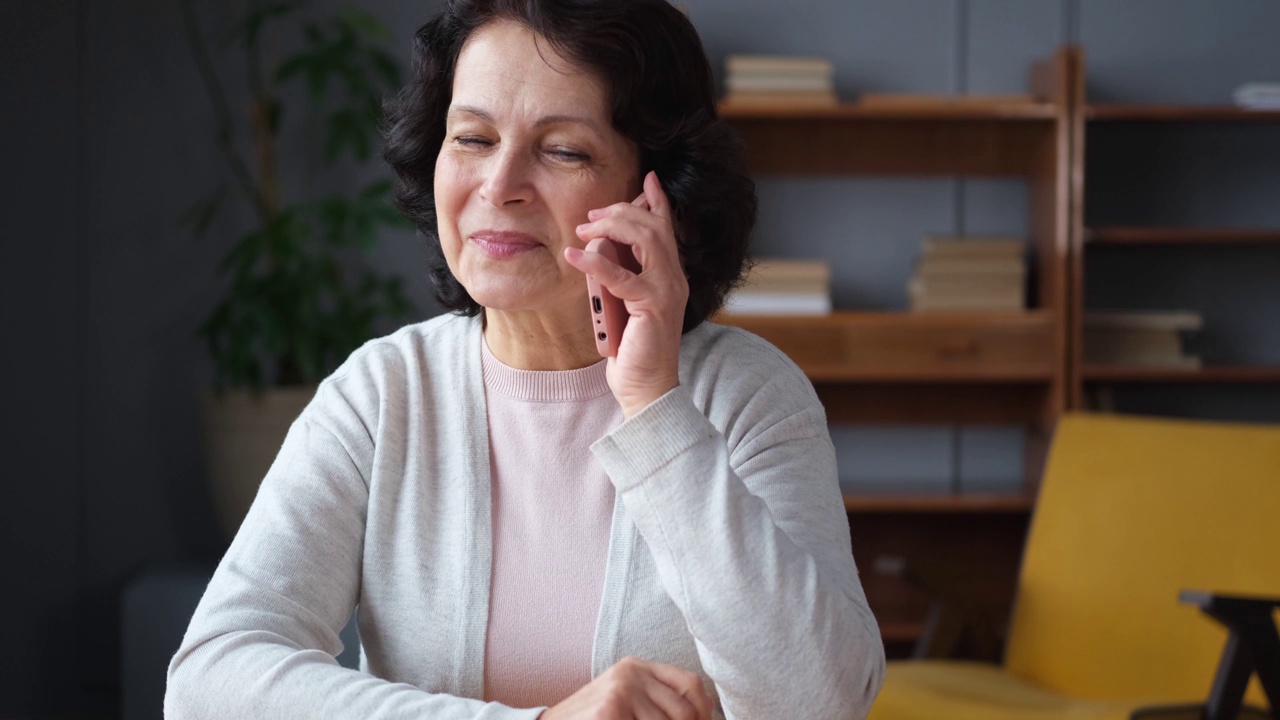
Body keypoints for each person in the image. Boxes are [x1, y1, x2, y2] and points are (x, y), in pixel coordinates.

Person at [164, 0, 885, 718]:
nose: (499, 184)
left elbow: (820, 702)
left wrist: (656, 407)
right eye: (473, 138)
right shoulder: (382, 395)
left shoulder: (751, 396)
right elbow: (208, 681)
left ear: (657, 192)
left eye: (563, 149)